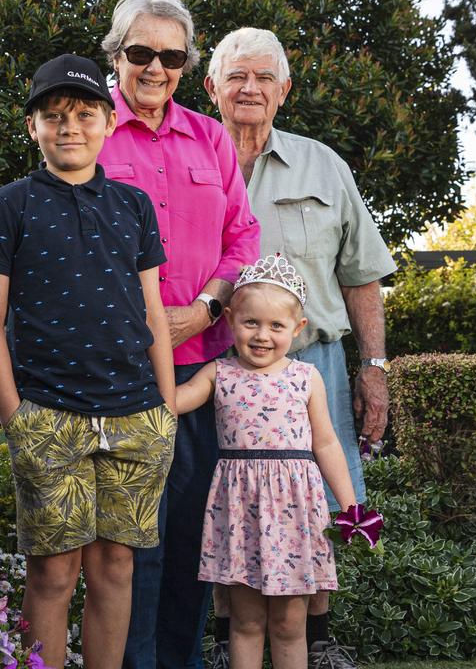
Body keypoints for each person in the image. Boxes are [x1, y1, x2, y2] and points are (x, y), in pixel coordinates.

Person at [0, 53, 178, 669]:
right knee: (53, 573)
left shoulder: (133, 207)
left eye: (85, 114)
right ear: (32, 126)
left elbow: (154, 312)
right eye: (53, 115)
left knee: (116, 567)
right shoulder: (10, 206)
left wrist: (165, 408)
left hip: (136, 417)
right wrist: (14, 418)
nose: (70, 127)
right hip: (49, 417)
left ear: (109, 124)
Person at [203, 27, 398, 669]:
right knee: (224, 501)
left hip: (311, 364)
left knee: (312, 499)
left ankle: (314, 643)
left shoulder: (323, 166)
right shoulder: (192, 163)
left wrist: (373, 366)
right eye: (236, 76)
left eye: (264, 78)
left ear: (284, 90)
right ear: (212, 87)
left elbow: (361, 274)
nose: (249, 88)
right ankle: (227, 638)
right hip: (212, 366)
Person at [96, 0, 261, 669]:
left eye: (171, 56)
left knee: (194, 535)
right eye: (141, 53)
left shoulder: (210, 136)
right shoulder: (88, 128)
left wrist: (211, 305)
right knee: (131, 542)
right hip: (121, 372)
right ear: (117, 55)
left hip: (201, 367)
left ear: (187, 65)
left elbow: (243, 237)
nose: (155, 67)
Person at [175, 254, 358, 669]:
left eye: (276, 326)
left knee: (290, 624)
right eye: (251, 322)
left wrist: (351, 507)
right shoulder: (218, 373)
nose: (262, 335)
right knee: (246, 620)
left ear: (297, 329)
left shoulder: (305, 378)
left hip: (295, 512)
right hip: (241, 512)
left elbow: (327, 444)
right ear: (230, 322)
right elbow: (174, 401)